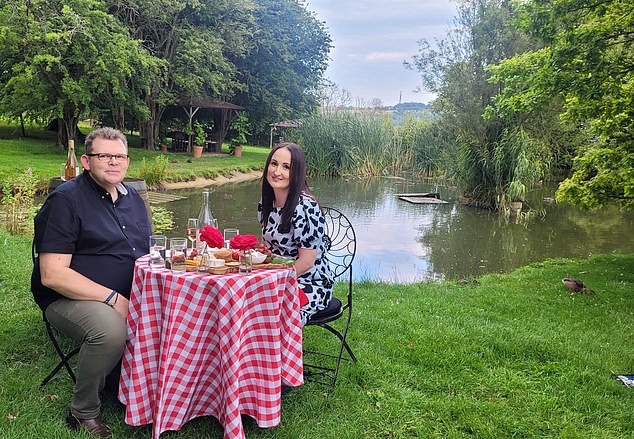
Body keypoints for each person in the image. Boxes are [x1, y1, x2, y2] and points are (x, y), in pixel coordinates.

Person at [31, 127, 151, 437]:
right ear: (86, 160)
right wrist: (114, 298)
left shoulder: (132, 197)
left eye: (120, 156)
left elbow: (145, 249)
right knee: (111, 330)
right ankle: (82, 411)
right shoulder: (66, 201)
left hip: (127, 290)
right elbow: (53, 274)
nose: (114, 162)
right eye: (105, 156)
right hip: (67, 297)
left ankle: (145, 390)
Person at [258, 142, 333, 325]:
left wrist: (274, 283)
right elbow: (266, 248)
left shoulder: (305, 207)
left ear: (296, 173)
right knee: (244, 302)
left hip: (309, 283)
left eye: (286, 167)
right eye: (274, 164)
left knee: (275, 313)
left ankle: (281, 353)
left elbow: (307, 262)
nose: (277, 172)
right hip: (277, 276)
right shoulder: (266, 202)